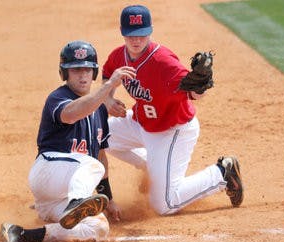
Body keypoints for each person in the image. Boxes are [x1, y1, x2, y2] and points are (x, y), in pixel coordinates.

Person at [102, 5, 244, 216]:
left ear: (150, 31)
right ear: (123, 32)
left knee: (164, 204)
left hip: (172, 130)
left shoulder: (163, 62)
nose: (136, 40)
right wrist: (107, 99)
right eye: (131, 35)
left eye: (141, 34)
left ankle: (222, 174)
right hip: (141, 122)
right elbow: (107, 75)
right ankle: (153, 167)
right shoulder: (119, 56)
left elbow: (194, 94)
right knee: (100, 134)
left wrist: (199, 86)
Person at [0, 40, 136, 242]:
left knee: (98, 228)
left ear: (94, 72)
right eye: (76, 70)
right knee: (92, 165)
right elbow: (72, 114)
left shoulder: (99, 110)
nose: (82, 75)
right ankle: (78, 202)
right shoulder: (58, 98)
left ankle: (22, 234)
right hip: (48, 173)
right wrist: (108, 87)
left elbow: (100, 155)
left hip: (57, 197)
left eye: (87, 70)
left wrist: (109, 198)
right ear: (65, 74)